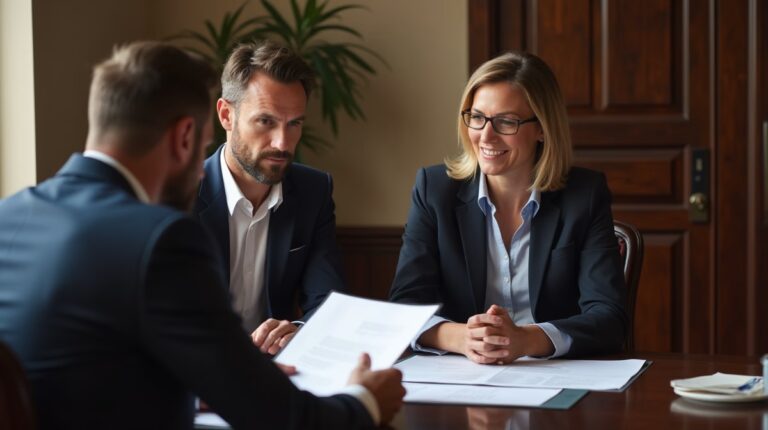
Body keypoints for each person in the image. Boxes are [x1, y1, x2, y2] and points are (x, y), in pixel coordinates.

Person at [0, 41, 404, 429]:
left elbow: (88, 365)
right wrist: (365, 401)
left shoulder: (8, 214)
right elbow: (283, 419)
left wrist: (201, 388)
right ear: (185, 137)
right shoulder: (159, 237)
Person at [389, 51, 627, 363]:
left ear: (542, 128)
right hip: (460, 374)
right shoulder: (434, 190)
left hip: (553, 373)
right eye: (477, 117)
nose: (486, 136)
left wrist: (527, 339)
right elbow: (404, 308)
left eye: (506, 122)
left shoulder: (584, 195)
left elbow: (609, 318)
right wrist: (463, 337)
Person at [194, 41, 344, 355]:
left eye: (294, 124)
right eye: (266, 121)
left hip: (278, 368)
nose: (282, 143)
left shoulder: (313, 192)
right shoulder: (179, 195)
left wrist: (297, 331)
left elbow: (329, 304)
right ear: (226, 115)